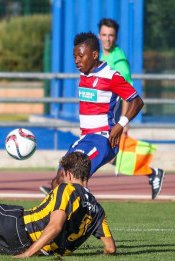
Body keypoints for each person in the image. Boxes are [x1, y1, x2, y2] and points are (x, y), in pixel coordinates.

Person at [40, 31, 144, 196]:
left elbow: (137, 101)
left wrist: (120, 125)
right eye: (74, 57)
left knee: (73, 178)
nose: (76, 61)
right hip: (84, 137)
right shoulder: (84, 72)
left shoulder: (111, 76)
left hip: (102, 139)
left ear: (95, 55)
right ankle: (58, 219)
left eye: (80, 56)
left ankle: (89, 216)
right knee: (58, 179)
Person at [98, 18, 165, 199]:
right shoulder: (102, 56)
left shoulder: (119, 61)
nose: (107, 39)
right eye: (104, 35)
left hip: (117, 110)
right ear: (99, 35)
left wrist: (124, 121)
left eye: (111, 35)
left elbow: (128, 92)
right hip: (106, 111)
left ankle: (67, 187)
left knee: (104, 152)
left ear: (116, 37)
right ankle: (152, 173)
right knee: (103, 152)